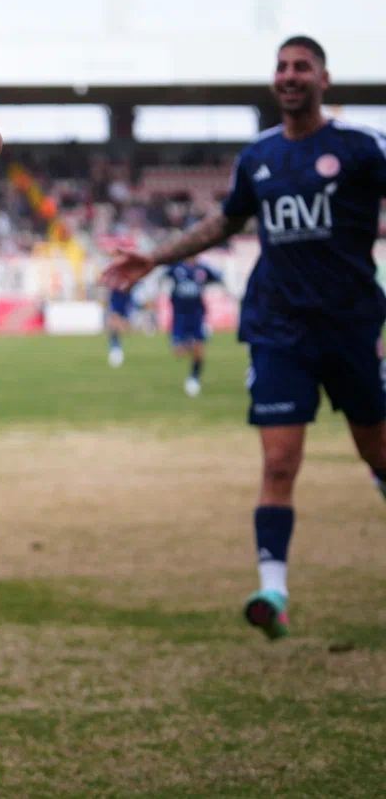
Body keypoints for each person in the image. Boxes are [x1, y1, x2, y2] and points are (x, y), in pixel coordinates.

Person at [103, 36, 386, 641]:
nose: (289, 75)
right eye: (281, 67)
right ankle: (273, 591)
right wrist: (153, 257)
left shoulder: (361, 147)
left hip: (353, 328)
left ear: (323, 80)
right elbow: (226, 221)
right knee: (279, 462)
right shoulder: (259, 156)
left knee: (378, 453)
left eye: (301, 66)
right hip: (279, 329)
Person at [164, 259, 223, 397]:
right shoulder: (176, 268)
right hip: (180, 316)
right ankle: (189, 344)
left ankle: (194, 378)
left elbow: (218, 278)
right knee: (179, 351)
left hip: (197, 316)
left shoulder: (203, 269)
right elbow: (163, 275)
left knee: (199, 350)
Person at [106, 286, 134, 368]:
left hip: (126, 293)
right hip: (118, 293)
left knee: (121, 324)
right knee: (114, 322)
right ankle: (115, 347)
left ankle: (116, 347)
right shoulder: (115, 289)